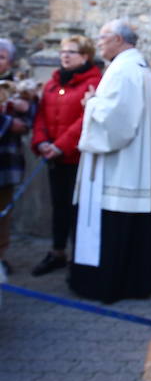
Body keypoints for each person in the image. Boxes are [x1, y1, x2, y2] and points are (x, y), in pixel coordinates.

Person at [68, 20, 151, 304]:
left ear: (120, 40)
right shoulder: (136, 67)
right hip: (133, 164)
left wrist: (91, 104)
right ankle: (137, 280)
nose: (98, 42)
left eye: (103, 37)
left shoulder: (123, 71)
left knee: (114, 225)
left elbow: (118, 123)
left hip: (121, 168)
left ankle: (110, 284)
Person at [29, 35, 102, 276]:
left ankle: (80, 257)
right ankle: (57, 252)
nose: (65, 56)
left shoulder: (94, 83)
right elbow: (41, 114)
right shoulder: (52, 83)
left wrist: (60, 145)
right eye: (63, 52)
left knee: (77, 209)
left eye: (71, 52)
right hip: (54, 157)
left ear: (85, 56)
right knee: (58, 206)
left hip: (77, 159)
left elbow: (86, 120)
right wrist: (41, 142)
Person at [0, 38, 37, 276]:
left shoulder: (19, 87)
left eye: (2, 57)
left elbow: (29, 119)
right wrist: (8, 122)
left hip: (6, 161)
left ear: (10, 62)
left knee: (3, 213)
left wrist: (21, 119)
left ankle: (1, 256)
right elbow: (15, 124)